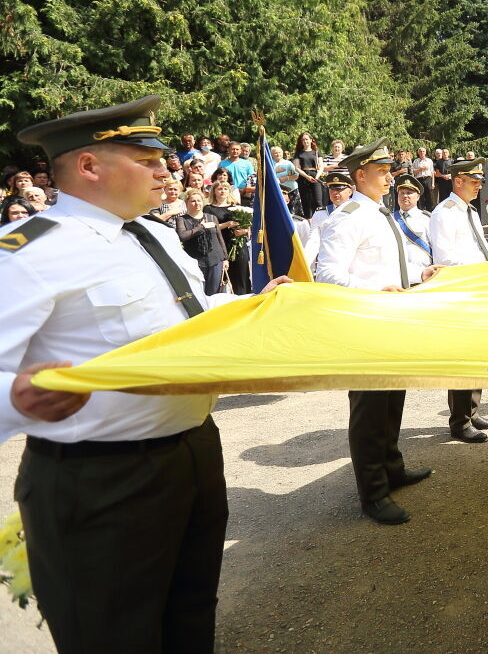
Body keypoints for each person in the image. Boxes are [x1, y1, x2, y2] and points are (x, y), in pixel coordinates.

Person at [0, 95, 290, 654]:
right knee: (114, 634)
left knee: (189, 615)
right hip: (101, 479)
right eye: (147, 160)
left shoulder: (148, 233)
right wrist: (19, 398)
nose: (168, 169)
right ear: (90, 167)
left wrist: (251, 303)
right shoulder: (29, 253)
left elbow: (189, 311)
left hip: (192, 452)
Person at [314, 140, 440, 526]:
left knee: (391, 398)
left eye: (389, 170)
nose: (390, 176)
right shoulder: (349, 216)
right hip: (365, 322)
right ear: (360, 176)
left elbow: (385, 266)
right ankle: (372, 492)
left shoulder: (380, 213)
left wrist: (419, 275)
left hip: (388, 316)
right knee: (369, 409)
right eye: (382, 171)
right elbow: (327, 274)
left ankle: (392, 468)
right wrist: (375, 292)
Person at [429, 158, 488, 441]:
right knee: (462, 356)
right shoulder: (444, 213)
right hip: (461, 291)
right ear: (457, 181)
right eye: (474, 181)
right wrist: (484, 267)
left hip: (477, 287)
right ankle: (459, 421)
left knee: (478, 352)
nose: (479, 186)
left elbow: (479, 249)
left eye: (480, 181)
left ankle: (471, 410)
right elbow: (444, 258)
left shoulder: (469, 211)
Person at [175, 187, 231, 295]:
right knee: (198, 293)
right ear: (187, 203)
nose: (197, 203)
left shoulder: (211, 217)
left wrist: (225, 259)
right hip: (195, 261)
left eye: (199, 200)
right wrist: (201, 227)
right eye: (193, 201)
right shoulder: (182, 219)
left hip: (215, 260)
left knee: (214, 293)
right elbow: (182, 236)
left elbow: (219, 238)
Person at [303, 170, 354, 268]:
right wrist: (305, 265)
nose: (335, 193)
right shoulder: (321, 214)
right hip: (328, 265)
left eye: (339, 189)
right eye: (332, 189)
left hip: (352, 266)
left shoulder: (357, 211)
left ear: (350, 191)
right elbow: (314, 241)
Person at [293, 132, 324, 217]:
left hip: (315, 176)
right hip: (303, 177)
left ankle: (320, 220)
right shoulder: (298, 153)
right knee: (306, 202)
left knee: (318, 201)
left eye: (307, 139)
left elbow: (321, 167)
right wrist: (307, 177)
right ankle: (308, 222)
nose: (305, 141)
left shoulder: (317, 152)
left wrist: (317, 177)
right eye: (303, 140)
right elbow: (297, 167)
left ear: (310, 140)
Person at [412, 147, 436, 211]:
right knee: (420, 196)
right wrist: (421, 169)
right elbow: (413, 171)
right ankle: (421, 210)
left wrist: (433, 183)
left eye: (423, 151)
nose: (422, 152)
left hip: (428, 179)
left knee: (429, 196)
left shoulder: (429, 160)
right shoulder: (415, 161)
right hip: (419, 179)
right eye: (420, 151)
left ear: (425, 152)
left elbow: (432, 172)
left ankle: (430, 210)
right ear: (418, 153)